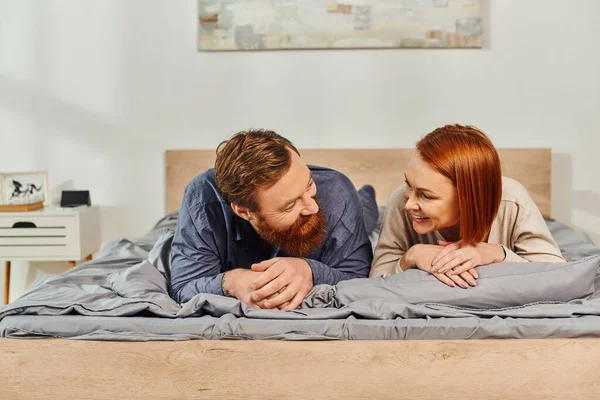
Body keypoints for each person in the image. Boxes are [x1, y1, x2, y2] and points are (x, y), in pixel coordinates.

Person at [170, 129, 373, 309]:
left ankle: (366, 195)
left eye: (309, 185)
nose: (312, 207)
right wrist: (230, 282)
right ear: (244, 212)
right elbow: (183, 287)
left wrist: (310, 271)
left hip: (354, 207)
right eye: (290, 205)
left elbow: (359, 281)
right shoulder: (202, 201)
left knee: (368, 213)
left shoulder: (337, 193)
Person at [370, 124, 564, 288]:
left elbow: (560, 275)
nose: (410, 204)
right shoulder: (399, 201)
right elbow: (373, 283)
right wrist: (409, 258)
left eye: (426, 196)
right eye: (408, 184)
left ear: (468, 199)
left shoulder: (511, 200)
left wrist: (498, 253)